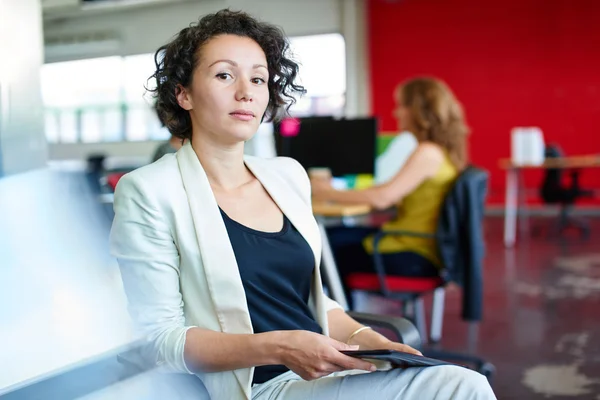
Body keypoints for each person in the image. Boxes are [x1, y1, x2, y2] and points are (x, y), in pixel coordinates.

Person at [109, 10, 495, 400]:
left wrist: (371, 339)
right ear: (183, 93)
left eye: (258, 78)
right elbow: (159, 342)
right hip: (255, 386)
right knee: (463, 387)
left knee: (457, 383)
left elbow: (312, 301)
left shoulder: (286, 175)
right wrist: (277, 348)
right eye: (225, 75)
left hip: (324, 374)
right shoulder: (148, 190)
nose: (246, 91)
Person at [312, 78, 469, 300]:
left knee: (323, 249)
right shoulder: (441, 152)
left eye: (402, 106)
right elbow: (390, 192)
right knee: (331, 236)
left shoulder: (427, 153)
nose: (397, 113)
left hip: (413, 255)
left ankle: (342, 320)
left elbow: (383, 198)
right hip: (417, 245)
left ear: (417, 111)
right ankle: (341, 314)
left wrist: (325, 192)